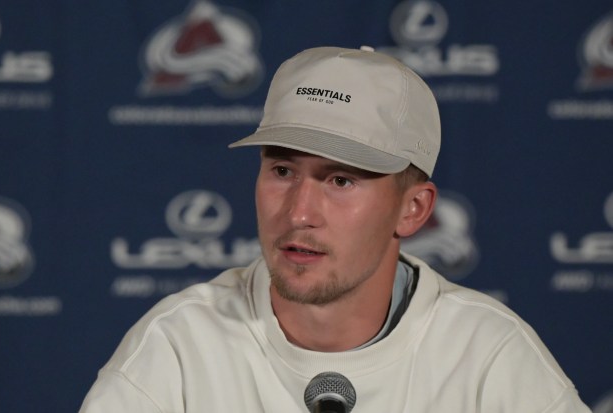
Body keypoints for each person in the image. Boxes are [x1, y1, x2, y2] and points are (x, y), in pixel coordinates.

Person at [79, 46, 591, 412]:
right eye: (282, 171)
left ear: (412, 209)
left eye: (341, 180)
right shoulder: (178, 346)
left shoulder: (488, 354)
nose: (299, 212)